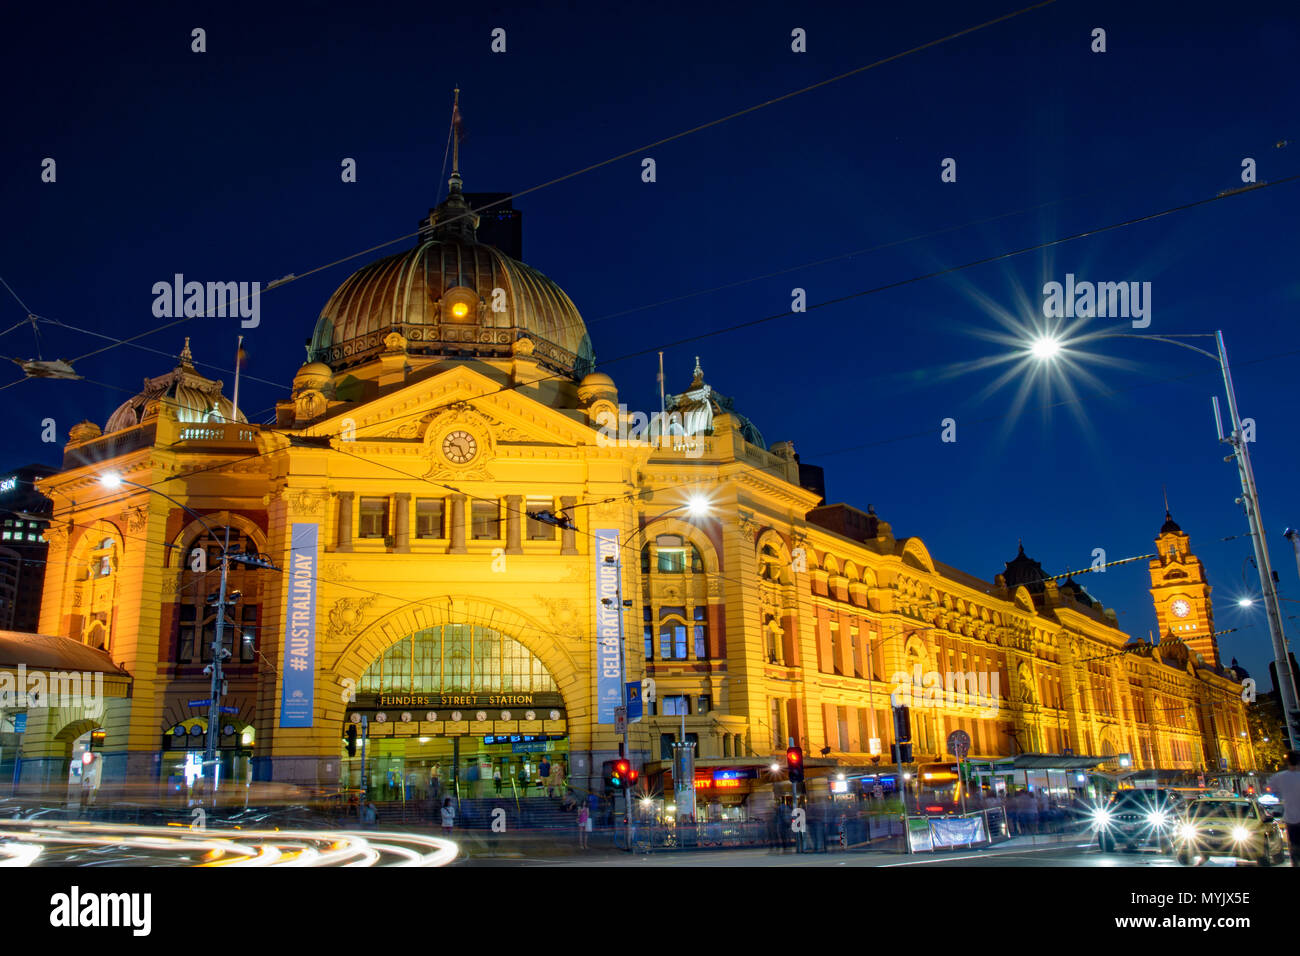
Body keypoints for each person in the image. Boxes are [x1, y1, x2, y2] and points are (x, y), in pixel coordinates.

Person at [1267, 750, 1300, 866]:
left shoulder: (1280, 777)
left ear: (1287, 761)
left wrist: (1280, 794)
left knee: (1295, 848)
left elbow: (1270, 789)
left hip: (1291, 820)